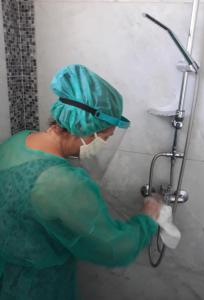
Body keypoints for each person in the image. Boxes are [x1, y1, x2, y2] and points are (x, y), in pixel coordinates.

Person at [0, 64, 161, 300]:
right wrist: (148, 217)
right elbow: (113, 248)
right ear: (86, 127)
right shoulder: (63, 183)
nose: (104, 144)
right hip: (38, 289)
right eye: (106, 137)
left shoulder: (16, 142)